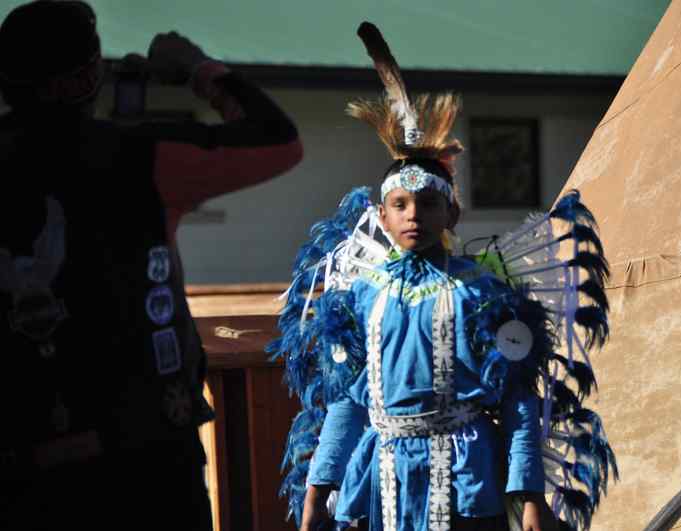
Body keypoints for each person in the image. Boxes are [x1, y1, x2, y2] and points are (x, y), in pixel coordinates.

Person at [271, 23, 613, 531]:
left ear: (451, 215)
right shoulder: (359, 297)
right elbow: (347, 400)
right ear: (381, 218)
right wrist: (320, 486)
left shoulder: (483, 295)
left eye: (429, 204)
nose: (415, 216)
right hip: (381, 481)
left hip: (464, 483)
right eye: (401, 205)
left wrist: (531, 496)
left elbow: (519, 402)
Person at [0, 1, 302, 530]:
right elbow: (277, 140)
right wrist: (197, 69)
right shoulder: (138, 156)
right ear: (89, 76)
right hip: (144, 460)